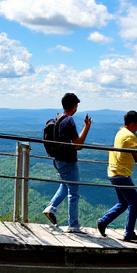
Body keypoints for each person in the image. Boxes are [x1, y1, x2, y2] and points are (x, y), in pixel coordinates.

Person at [97, 111, 137, 242]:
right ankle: (129, 232)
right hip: (122, 173)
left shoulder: (121, 132)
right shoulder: (130, 136)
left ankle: (103, 222)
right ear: (133, 123)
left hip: (113, 171)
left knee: (123, 203)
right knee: (134, 202)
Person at [41, 92, 91, 233]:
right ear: (74, 106)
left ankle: (51, 207)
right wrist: (87, 127)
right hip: (68, 160)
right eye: (76, 105)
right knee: (73, 192)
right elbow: (78, 145)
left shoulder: (59, 118)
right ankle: (73, 225)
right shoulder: (69, 120)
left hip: (58, 160)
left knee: (65, 185)